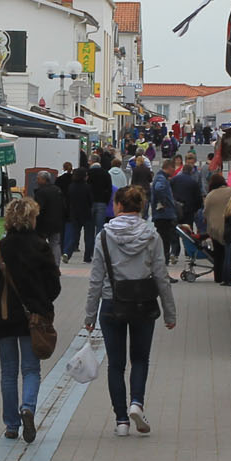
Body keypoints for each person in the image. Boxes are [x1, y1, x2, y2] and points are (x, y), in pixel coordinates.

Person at [83, 184, 177, 438]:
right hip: (144, 303)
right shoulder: (152, 236)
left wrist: (90, 315)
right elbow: (161, 275)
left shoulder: (103, 236)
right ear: (141, 207)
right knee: (140, 359)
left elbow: (95, 279)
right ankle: (137, 402)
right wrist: (170, 313)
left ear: (119, 206)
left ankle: (122, 420)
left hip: (111, 304)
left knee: (115, 364)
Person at [0, 197, 62, 441]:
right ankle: (28, 407)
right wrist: (43, 303)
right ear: (31, 218)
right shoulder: (41, 247)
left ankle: (11, 425)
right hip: (32, 317)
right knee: (31, 369)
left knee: (8, 372)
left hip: (2, 317)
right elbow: (53, 285)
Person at [203, 172, 231, 285]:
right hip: (227, 226)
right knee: (227, 253)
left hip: (214, 228)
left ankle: (218, 277)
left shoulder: (210, 195)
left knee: (218, 254)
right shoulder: (230, 191)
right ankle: (227, 276)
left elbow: (205, 212)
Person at [61, 159, 97, 263]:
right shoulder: (87, 187)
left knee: (74, 235)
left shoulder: (71, 187)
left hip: (74, 214)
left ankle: (67, 252)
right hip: (86, 214)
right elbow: (91, 201)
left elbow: (68, 200)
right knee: (89, 236)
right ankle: (87, 257)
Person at [31, 171, 67, 262]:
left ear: (43, 180)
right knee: (55, 244)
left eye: (38, 179)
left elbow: (38, 209)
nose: (37, 181)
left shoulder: (41, 192)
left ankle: (41, 263)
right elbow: (63, 206)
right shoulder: (57, 190)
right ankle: (56, 264)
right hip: (56, 222)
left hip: (43, 224)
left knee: (40, 243)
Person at [147, 162, 179, 260]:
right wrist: (163, 202)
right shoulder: (161, 178)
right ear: (169, 167)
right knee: (165, 238)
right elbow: (159, 189)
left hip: (162, 214)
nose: (174, 171)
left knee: (164, 237)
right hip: (164, 214)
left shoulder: (161, 177)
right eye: (173, 168)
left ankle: (165, 257)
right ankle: (164, 258)